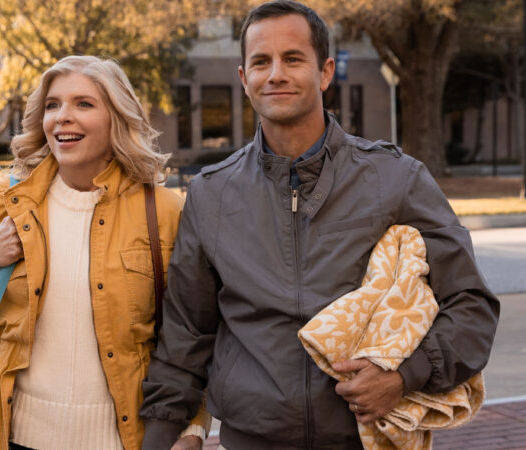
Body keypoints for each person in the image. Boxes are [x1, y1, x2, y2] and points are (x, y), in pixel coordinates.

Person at [139, 1, 500, 448]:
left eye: (292, 59)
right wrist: (162, 435)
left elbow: (472, 305)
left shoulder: (397, 179)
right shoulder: (212, 194)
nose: (276, 74)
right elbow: (186, 335)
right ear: (243, 79)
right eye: (261, 62)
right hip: (251, 439)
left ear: (325, 71)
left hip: (363, 440)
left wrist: (404, 375)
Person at [0, 55, 208, 450]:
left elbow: (190, 336)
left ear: (116, 118)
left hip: (125, 439)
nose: (62, 117)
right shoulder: (5, 199)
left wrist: (192, 428)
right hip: (11, 436)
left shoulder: (162, 210)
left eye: (83, 104)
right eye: (53, 105)